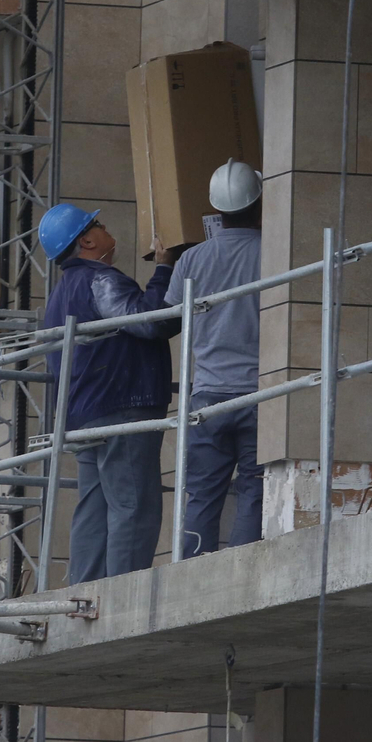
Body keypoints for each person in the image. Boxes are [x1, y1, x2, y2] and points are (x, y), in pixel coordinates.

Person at [41, 202, 180, 583]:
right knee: (134, 504)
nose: (103, 228)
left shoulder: (60, 295)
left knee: (95, 506)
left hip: (85, 416)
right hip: (121, 407)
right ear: (86, 240)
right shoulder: (100, 279)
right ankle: (124, 595)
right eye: (96, 225)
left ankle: (83, 590)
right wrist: (166, 268)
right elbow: (150, 323)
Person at [166, 159, 263, 558]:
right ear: (260, 203)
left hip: (207, 397)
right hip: (259, 394)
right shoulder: (276, 253)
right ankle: (244, 569)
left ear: (215, 208)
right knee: (255, 488)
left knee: (203, 492)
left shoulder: (191, 260)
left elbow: (170, 317)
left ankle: (192, 569)